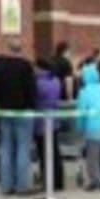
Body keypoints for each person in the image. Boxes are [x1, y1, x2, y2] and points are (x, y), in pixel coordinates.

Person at [0, 39, 37, 195]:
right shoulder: (25, 66)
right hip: (23, 111)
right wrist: (32, 106)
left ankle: (6, 185)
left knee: (6, 148)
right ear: (21, 49)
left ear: (7, 48)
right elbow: (31, 90)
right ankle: (22, 186)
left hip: (4, 110)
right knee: (23, 149)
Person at [33, 57, 64, 191]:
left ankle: (47, 181)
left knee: (43, 153)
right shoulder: (56, 81)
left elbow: (34, 99)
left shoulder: (37, 83)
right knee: (55, 152)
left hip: (40, 122)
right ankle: (58, 181)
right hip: (54, 120)